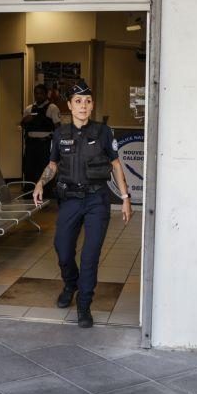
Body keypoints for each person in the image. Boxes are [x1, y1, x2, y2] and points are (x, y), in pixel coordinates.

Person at [33, 81, 132, 328]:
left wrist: (125, 198)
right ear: (69, 105)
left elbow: (117, 165)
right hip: (70, 200)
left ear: (92, 105)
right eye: (78, 101)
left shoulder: (103, 132)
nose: (83, 106)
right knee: (63, 248)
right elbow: (53, 164)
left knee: (90, 255)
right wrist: (40, 183)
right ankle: (70, 284)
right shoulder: (60, 134)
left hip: (97, 200)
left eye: (87, 101)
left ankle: (84, 304)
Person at [20, 83, 61, 184]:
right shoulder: (28, 108)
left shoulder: (52, 108)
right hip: (31, 144)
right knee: (29, 167)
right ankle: (29, 190)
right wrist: (25, 120)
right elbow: (22, 125)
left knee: (44, 168)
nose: (38, 96)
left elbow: (58, 127)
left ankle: (46, 191)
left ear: (46, 94)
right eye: (36, 93)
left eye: (41, 93)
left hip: (45, 144)